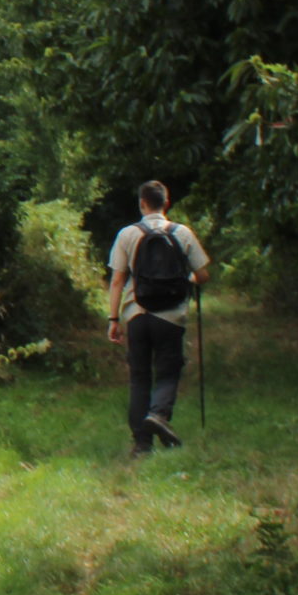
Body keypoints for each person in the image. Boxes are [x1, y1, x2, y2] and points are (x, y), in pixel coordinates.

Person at [107, 180, 210, 455]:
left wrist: (113, 319)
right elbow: (203, 275)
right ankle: (159, 415)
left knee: (139, 377)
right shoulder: (183, 233)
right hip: (171, 316)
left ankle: (142, 445)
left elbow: (117, 280)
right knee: (168, 371)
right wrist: (187, 278)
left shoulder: (127, 234)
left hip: (137, 314)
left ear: (142, 204)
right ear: (166, 203)